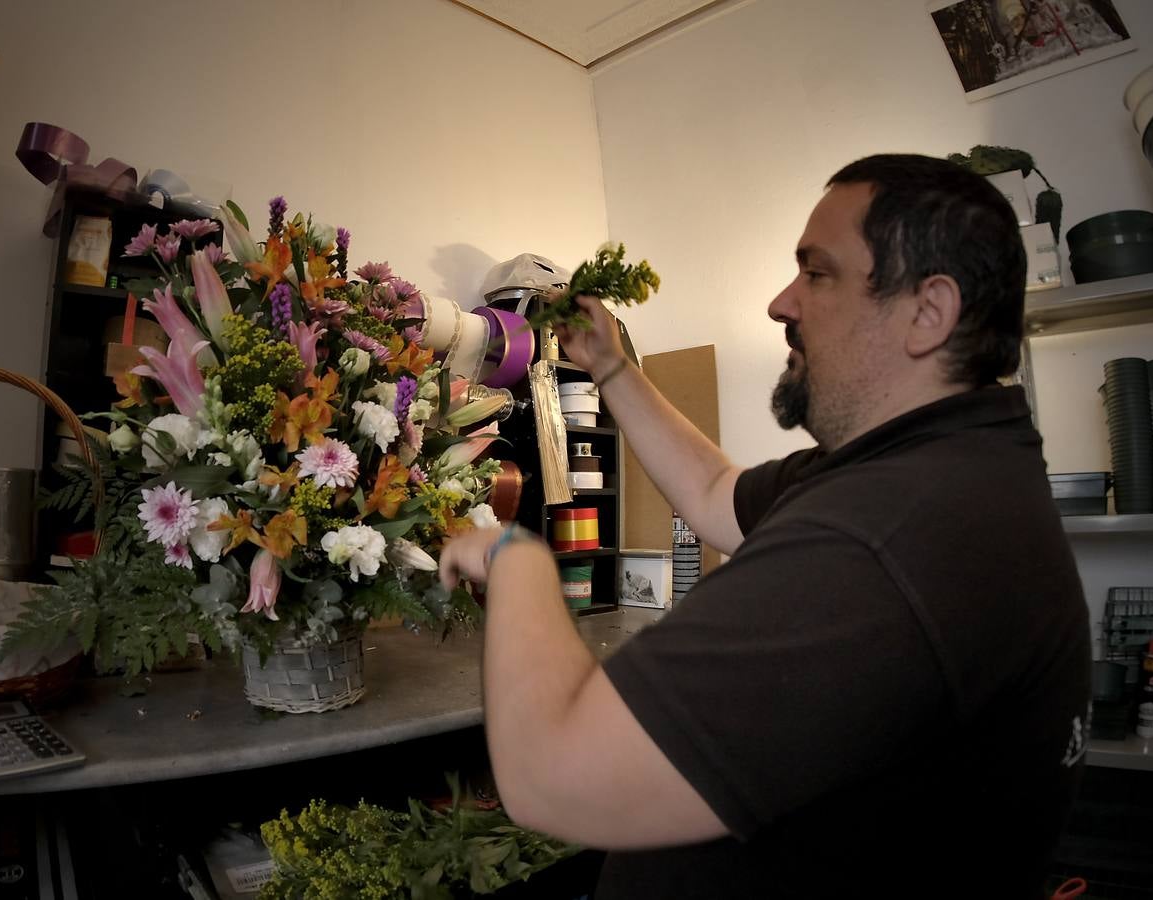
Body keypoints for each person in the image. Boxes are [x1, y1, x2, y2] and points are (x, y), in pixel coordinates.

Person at [440, 153, 1090, 897]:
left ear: (926, 311)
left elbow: (556, 778)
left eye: (817, 274)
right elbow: (717, 494)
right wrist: (612, 368)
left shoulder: (886, 534)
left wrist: (518, 559)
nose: (782, 303)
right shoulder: (936, 466)